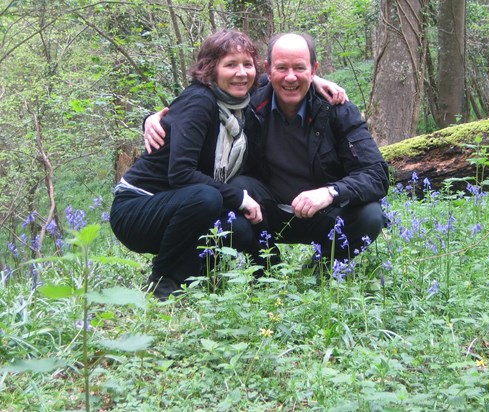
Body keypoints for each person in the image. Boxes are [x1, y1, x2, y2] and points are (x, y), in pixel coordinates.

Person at [145, 32, 389, 271]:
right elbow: (199, 100)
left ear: (314, 69)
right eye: (282, 68)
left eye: (300, 69)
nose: (290, 78)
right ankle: (264, 267)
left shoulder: (337, 109)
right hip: (265, 213)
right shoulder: (250, 100)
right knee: (238, 187)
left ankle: (322, 270)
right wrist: (158, 118)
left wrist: (330, 192)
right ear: (268, 69)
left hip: (324, 213)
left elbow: (376, 173)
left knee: (370, 214)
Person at [110, 29, 265, 300]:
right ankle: (162, 281)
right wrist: (240, 198)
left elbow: (289, 78)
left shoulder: (240, 103)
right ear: (210, 69)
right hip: (137, 209)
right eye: (230, 65)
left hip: (178, 206)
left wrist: (319, 81)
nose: (241, 72)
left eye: (247, 64)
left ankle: (190, 281)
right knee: (207, 198)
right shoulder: (199, 101)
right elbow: (181, 174)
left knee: (238, 230)